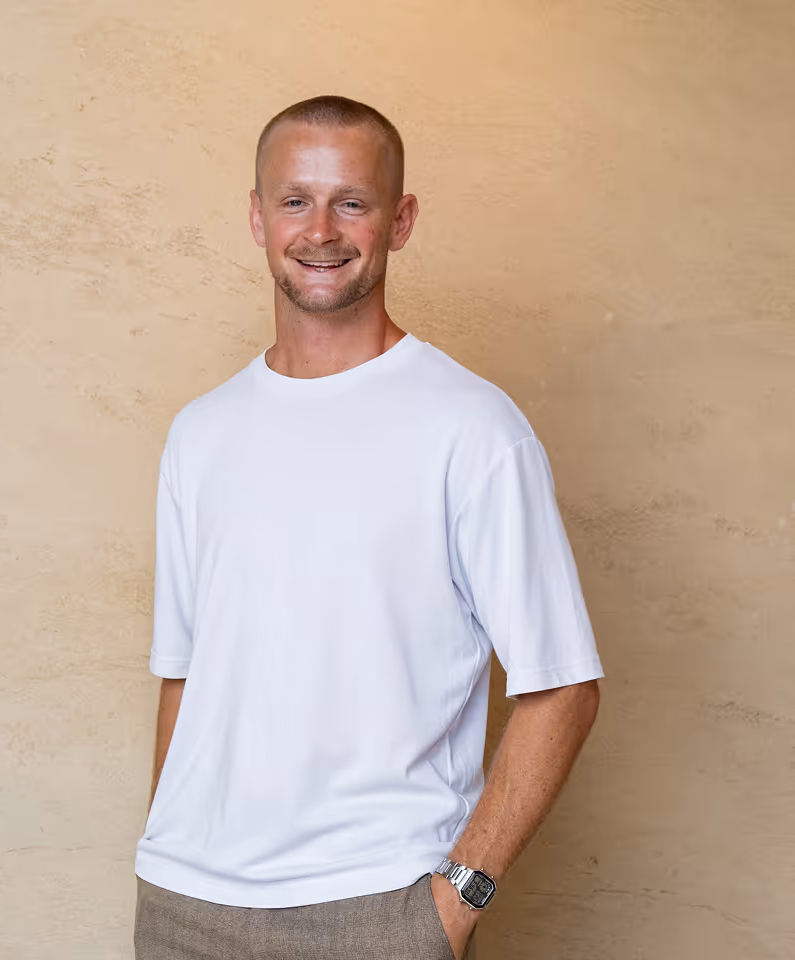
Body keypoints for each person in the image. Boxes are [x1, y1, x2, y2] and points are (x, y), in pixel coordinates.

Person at [133, 95, 604, 960]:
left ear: (401, 220)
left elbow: (564, 688)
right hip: (184, 909)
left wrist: (454, 901)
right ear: (257, 217)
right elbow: (185, 676)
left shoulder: (472, 427)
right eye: (295, 200)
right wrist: (164, 849)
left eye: (351, 202)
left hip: (378, 909)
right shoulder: (200, 432)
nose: (320, 230)